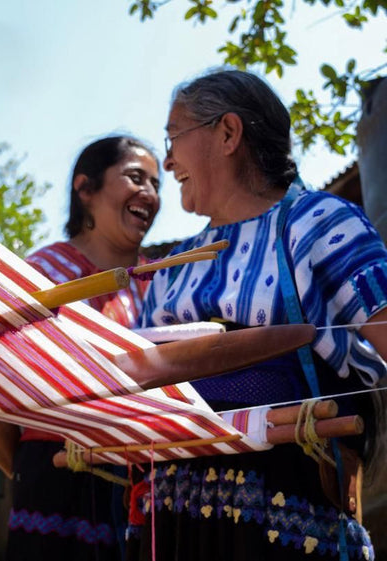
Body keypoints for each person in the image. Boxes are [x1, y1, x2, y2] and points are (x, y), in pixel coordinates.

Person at [127, 70, 387, 561]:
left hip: (290, 517)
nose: (167, 160)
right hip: (175, 524)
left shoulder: (318, 224)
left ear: (227, 133)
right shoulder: (169, 270)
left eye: (173, 136)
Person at [4, 135, 161, 561]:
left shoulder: (161, 285)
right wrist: (26, 468)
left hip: (145, 482)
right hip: (53, 480)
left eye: (156, 183)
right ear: (86, 188)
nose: (150, 192)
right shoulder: (39, 275)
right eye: (135, 177)